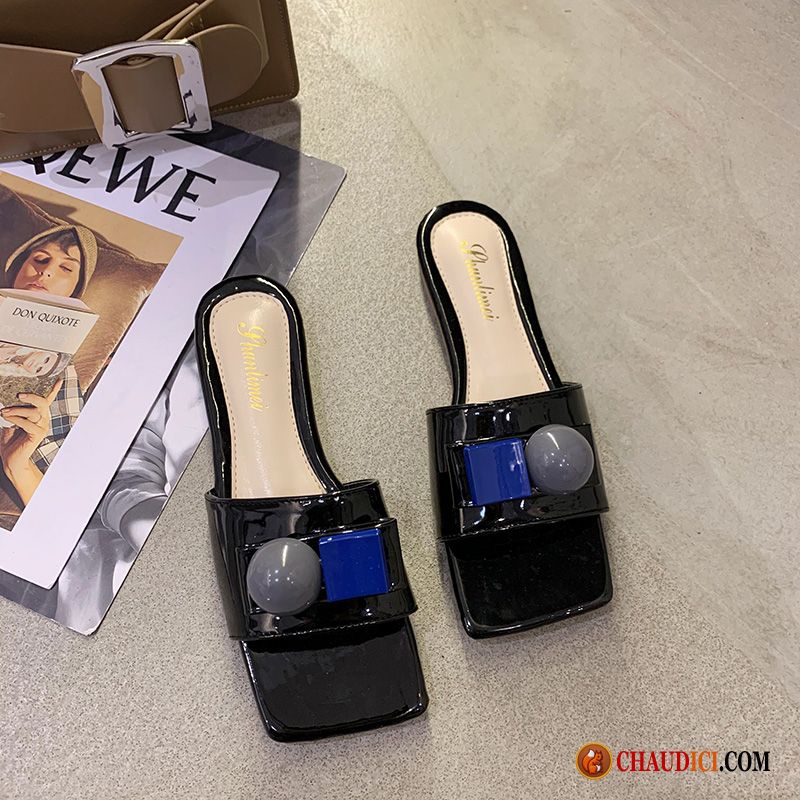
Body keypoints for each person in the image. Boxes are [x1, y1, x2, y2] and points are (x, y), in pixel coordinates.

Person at [0, 225, 97, 505]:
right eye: (40, 259)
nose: (45, 272)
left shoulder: (57, 371)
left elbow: (62, 505)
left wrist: (18, 465)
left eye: (66, 268)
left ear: (75, 290)